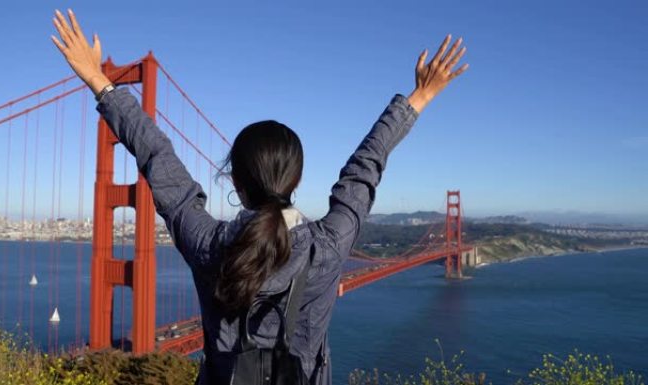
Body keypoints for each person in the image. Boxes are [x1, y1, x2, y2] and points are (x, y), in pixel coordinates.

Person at [51, 8, 468, 385]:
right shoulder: (327, 247)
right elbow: (365, 166)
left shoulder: (206, 244)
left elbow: (158, 158)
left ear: (235, 182)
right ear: (297, 180)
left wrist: (99, 82)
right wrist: (420, 97)